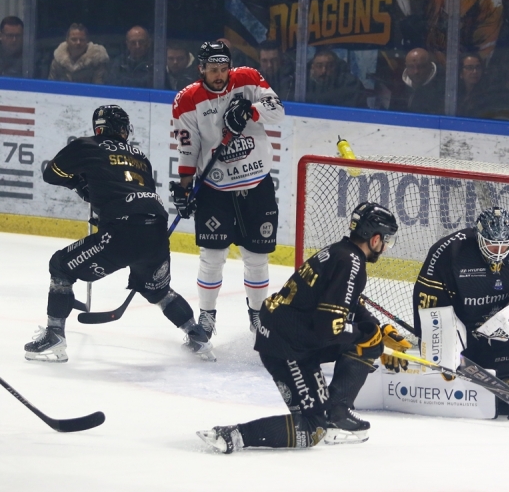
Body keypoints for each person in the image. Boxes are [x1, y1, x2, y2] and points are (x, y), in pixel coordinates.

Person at [196, 202, 406, 452]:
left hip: (287, 334)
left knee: (370, 341)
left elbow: (349, 303)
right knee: (313, 429)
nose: (385, 248)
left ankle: (335, 410)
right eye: (386, 240)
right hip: (287, 346)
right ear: (374, 239)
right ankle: (234, 435)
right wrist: (367, 335)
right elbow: (329, 329)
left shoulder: (342, 252)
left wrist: (378, 328)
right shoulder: (351, 263)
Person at [24, 105, 213, 363]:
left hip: (122, 232)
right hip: (156, 231)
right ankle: (198, 337)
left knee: (60, 266)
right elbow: (129, 191)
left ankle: (55, 336)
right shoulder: (139, 157)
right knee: (159, 291)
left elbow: (52, 174)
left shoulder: (87, 145)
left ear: (98, 127)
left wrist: (79, 184)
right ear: (123, 129)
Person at [171, 41, 284, 341]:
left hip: (256, 182)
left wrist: (251, 110)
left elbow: (278, 110)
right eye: (212, 70)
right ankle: (206, 319)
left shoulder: (247, 78)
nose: (219, 75)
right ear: (201, 69)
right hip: (214, 188)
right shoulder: (187, 100)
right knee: (211, 255)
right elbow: (188, 148)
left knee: (257, 256)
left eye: (223, 69)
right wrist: (184, 189)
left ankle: (257, 318)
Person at [412, 207, 509, 418]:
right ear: (478, 237)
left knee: (503, 402)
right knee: (447, 369)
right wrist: (439, 337)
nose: (497, 252)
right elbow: (427, 296)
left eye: (503, 246)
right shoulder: (450, 250)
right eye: (491, 245)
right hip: (462, 323)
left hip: (501, 330)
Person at [391, 47, 445, 114]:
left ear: (430, 66)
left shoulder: (444, 88)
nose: (416, 71)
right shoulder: (398, 86)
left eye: (421, 66)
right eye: (411, 67)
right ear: (406, 67)